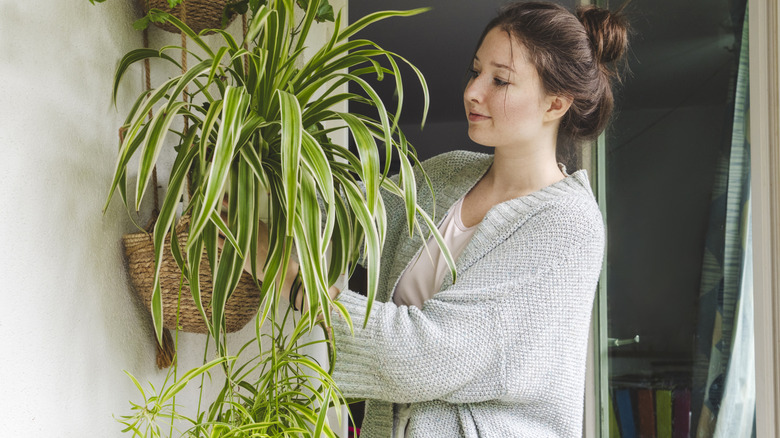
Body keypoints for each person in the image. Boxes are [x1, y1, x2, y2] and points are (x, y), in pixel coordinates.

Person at [266, 1, 628, 436]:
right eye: (476, 71)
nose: (473, 91)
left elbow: (426, 355)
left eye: (500, 80)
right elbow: (342, 222)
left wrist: (288, 276)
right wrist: (256, 170)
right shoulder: (448, 172)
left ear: (556, 103)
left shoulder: (567, 225)